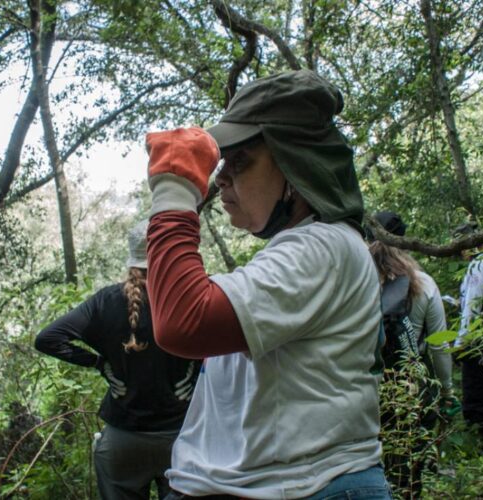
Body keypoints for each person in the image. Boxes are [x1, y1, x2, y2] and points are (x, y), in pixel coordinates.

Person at [144, 70, 389, 498]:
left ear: (295, 165)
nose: (221, 179)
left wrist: (173, 193)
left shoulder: (321, 248)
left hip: (307, 488)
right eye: (223, 163)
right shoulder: (303, 250)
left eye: (240, 161)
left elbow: (182, 321)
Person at [35, 220, 199, 500]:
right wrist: (197, 372)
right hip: (181, 437)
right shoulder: (186, 298)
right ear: (165, 255)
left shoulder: (104, 301)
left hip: (122, 441)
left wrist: (99, 364)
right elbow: (229, 343)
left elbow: (47, 338)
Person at [368, 211, 456, 498]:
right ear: (404, 242)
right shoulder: (424, 283)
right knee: (409, 461)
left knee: (374, 459)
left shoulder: (359, 281)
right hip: (413, 383)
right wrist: (447, 390)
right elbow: (438, 344)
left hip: (368, 384)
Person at [452, 222, 483, 437]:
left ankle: (478, 437)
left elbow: (472, 307)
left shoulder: (477, 267)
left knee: (476, 388)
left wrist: (461, 343)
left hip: (478, 338)